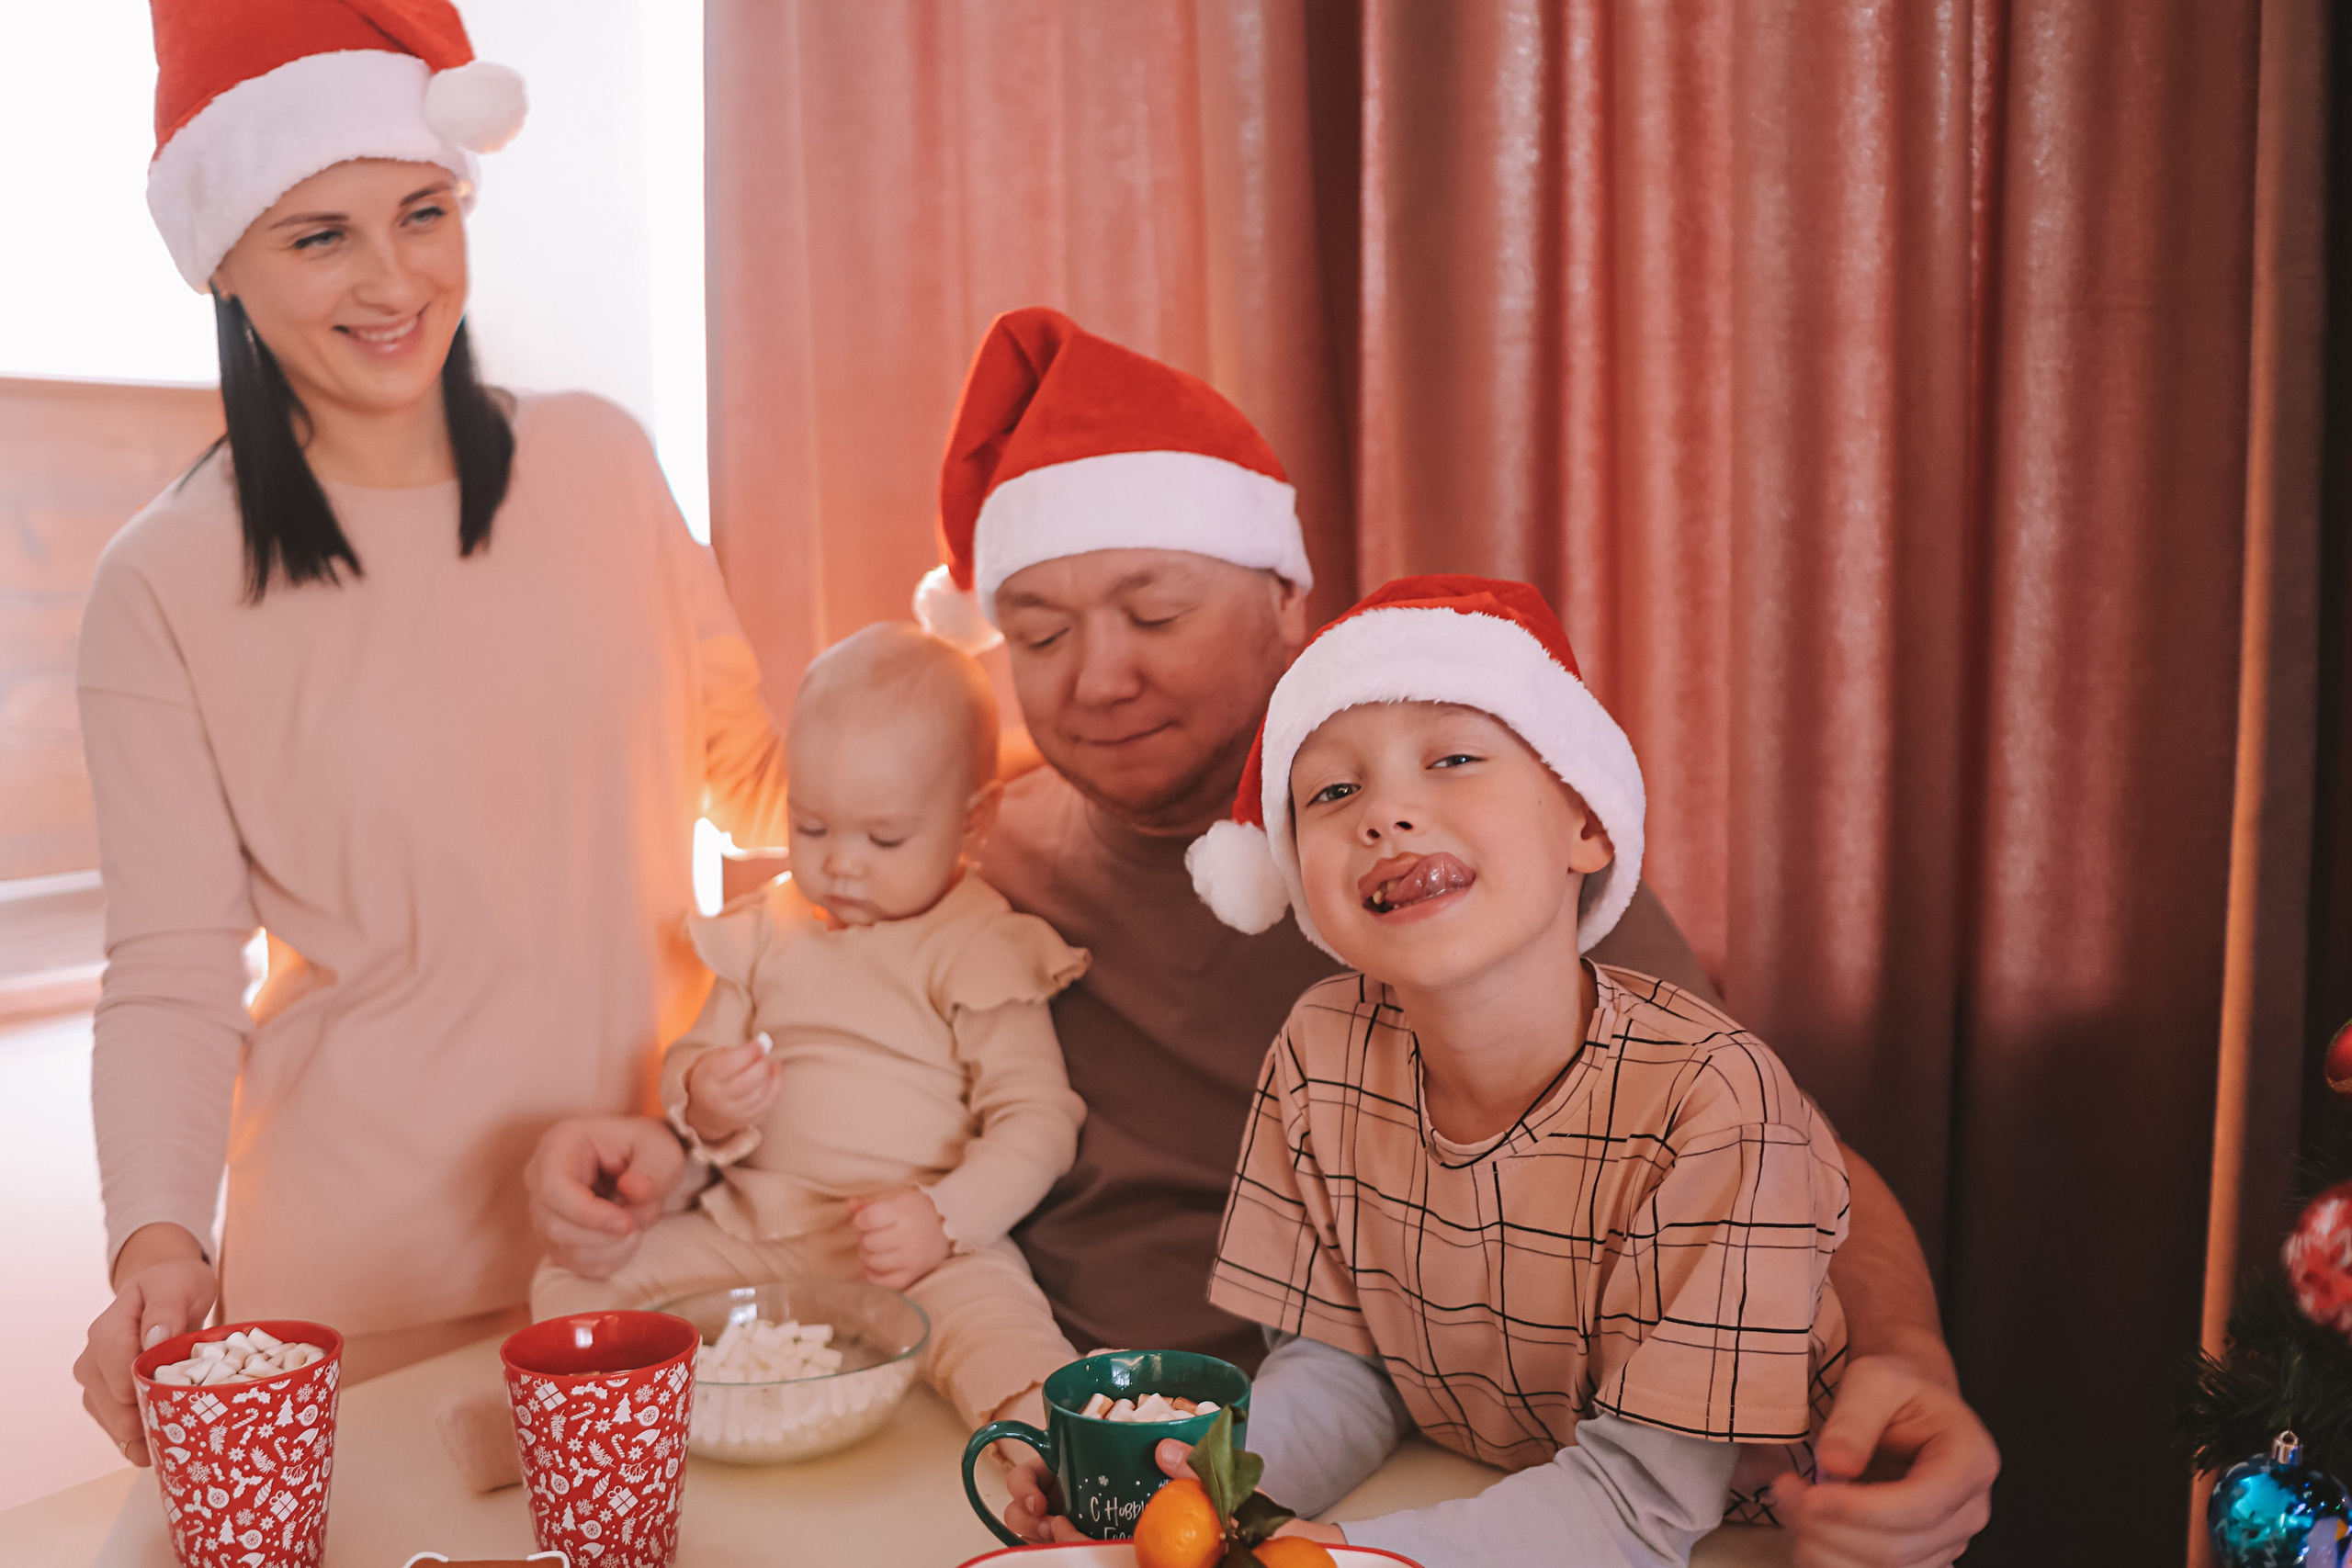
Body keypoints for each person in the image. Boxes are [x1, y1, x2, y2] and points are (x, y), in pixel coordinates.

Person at [528, 309, 1996, 1562]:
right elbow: (799, 1007)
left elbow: (1781, 1154)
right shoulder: (967, 854)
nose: (1098, 677)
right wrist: (656, 1140)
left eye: (1154, 609)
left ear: (1285, 595)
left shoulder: (1468, 871)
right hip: (1109, 1433)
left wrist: (1906, 1353)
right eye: (1038, 632)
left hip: (1442, 1462)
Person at [72, 0, 792, 1467]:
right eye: (319, 235)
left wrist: (985, 694)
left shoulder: (600, 463)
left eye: (423, 212)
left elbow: (760, 783)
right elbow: (171, 969)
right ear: (224, 259)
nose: (394, 279)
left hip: (649, 1240)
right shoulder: (162, 581)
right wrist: (158, 1237)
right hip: (361, 1289)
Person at [1016, 574, 1850, 1563]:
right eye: (1333, 792)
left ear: (1587, 824)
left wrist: (1336, 1555)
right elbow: (1346, 1367)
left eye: (1453, 758)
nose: (1386, 814)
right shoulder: (1319, 1052)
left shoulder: (1714, 1104)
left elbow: (1642, 1502)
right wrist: (1204, 1497)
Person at [531, 625, 1088, 1431]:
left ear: (975, 819)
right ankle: (584, 1428)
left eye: (885, 836)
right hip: (754, 1230)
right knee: (574, 1281)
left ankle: (1046, 1458)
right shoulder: (765, 926)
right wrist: (706, 1095)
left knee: (1006, 1338)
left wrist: (946, 1216)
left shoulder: (981, 944)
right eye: (811, 826)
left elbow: (1039, 1120)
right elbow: (690, 1068)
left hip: (922, 1252)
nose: (841, 862)